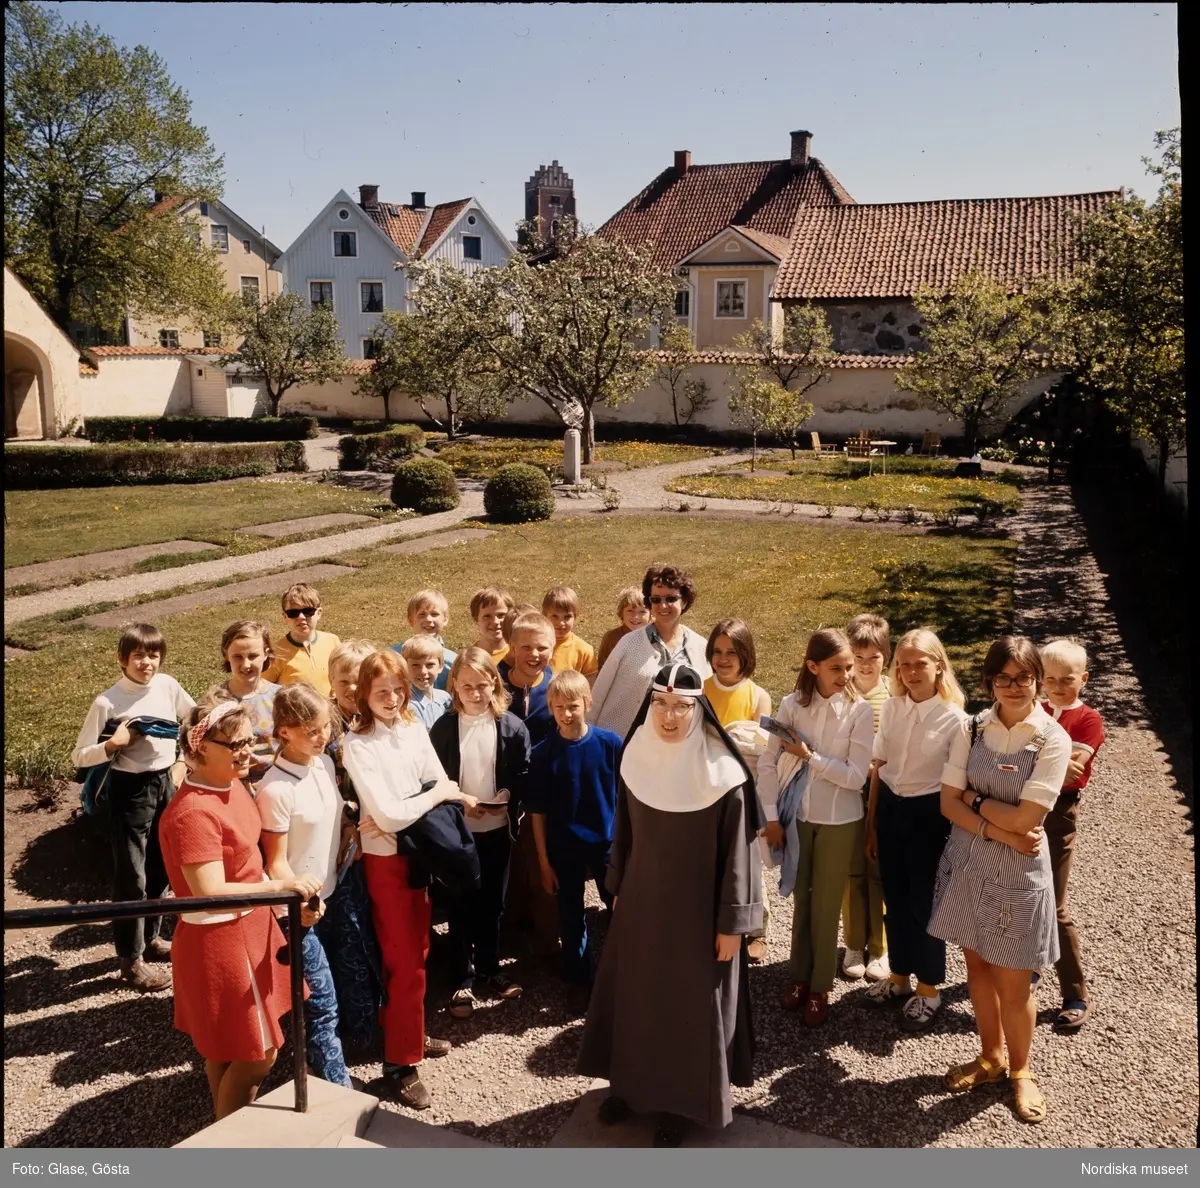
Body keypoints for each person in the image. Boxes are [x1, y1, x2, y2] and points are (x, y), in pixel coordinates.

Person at [578, 663, 764, 1148]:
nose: (667, 716)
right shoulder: (636, 756)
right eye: (659, 703)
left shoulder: (723, 776)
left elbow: (740, 860)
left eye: (681, 706)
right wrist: (614, 888)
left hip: (699, 917)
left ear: (698, 708)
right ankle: (631, 1091)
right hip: (641, 904)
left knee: (686, 1010)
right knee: (637, 1001)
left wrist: (733, 925)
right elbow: (625, 833)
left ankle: (681, 1105)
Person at [927, 635, 1071, 1125]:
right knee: (979, 969)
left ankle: (1022, 1071)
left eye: (1023, 678)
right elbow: (946, 802)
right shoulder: (970, 729)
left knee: (1016, 983)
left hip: (1016, 876)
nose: (1013, 687)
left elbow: (1028, 819)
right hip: (971, 864)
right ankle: (991, 1058)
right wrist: (994, 826)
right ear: (989, 680)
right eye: (1002, 678)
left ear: (1037, 681)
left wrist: (975, 801)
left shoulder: (1052, 738)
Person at [157, 694, 321, 1120]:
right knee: (257, 1054)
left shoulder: (231, 784)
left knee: (229, 1047)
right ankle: (233, 1149)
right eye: (236, 745)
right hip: (222, 940)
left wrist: (280, 894)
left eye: (251, 740)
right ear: (200, 747)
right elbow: (210, 888)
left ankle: (223, 1129)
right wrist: (281, 889)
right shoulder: (194, 812)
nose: (248, 751)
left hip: (249, 926)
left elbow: (247, 866)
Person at [342, 650, 471, 1110]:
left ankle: (411, 1034)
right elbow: (397, 812)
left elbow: (434, 785)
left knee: (418, 952)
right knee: (405, 964)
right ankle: (399, 1063)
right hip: (388, 864)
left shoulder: (413, 727)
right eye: (382, 692)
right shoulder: (357, 744)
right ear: (363, 694)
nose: (393, 698)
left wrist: (410, 803)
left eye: (398, 689)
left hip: (418, 856)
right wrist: (424, 798)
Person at [758, 628, 873, 1028]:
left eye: (849, 667)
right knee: (802, 900)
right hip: (798, 819)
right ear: (813, 666)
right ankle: (798, 976)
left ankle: (820, 985)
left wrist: (811, 758)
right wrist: (771, 816)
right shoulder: (792, 705)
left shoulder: (860, 711)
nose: (846, 675)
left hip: (840, 821)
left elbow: (857, 777)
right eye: (837, 668)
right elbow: (768, 762)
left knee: (826, 906)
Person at [72, 623, 196, 992]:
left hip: (164, 783)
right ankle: (130, 960)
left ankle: (152, 940)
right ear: (122, 659)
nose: (147, 663)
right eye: (138, 656)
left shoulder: (167, 685)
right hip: (128, 791)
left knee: (161, 869)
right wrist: (113, 744)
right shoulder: (107, 702)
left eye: (154, 655)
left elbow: (193, 716)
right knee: (132, 877)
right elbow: (79, 757)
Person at [863, 629, 967, 1031]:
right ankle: (899, 978)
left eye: (919, 663)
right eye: (903, 665)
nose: (910, 672)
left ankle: (929, 989)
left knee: (925, 904)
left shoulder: (955, 719)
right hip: (890, 808)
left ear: (938, 665)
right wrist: (872, 825)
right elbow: (878, 768)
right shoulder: (892, 708)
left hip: (929, 815)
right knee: (896, 898)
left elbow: (956, 785)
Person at [255, 683, 352, 1088]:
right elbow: (275, 863)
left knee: (348, 984)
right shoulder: (274, 790)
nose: (321, 737)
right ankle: (335, 1088)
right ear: (284, 732)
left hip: (336, 894)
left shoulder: (323, 765)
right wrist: (299, 896)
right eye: (310, 731)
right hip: (298, 912)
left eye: (325, 727)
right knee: (322, 1004)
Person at [430, 648, 530, 1020]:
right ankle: (462, 977)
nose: (474, 693)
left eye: (482, 686)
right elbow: (433, 779)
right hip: (459, 833)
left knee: (493, 904)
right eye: (467, 685)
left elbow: (522, 774)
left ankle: (490, 968)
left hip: (497, 830)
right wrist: (458, 800)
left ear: (494, 685)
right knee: (461, 907)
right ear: (454, 685)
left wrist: (509, 797)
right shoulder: (443, 728)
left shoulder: (512, 726)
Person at [528, 671, 623, 998]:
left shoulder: (611, 744)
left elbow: (624, 800)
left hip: (606, 846)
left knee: (620, 909)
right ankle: (580, 979)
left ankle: (624, 974)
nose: (567, 714)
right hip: (563, 848)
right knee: (570, 916)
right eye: (559, 707)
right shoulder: (542, 754)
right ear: (551, 708)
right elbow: (537, 813)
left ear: (588, 704)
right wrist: (543, 862)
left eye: (573, 706)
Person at [321, 639, 385, 1051]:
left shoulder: (378, 718)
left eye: (357, 679)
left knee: (380, 930)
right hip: (340, 849)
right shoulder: (326, 726)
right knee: (349, 935)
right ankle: (358, 1029)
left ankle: (387, 1019)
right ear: (331, 682)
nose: (350, 687)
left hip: (381, 840)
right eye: (343, 679)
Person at [1039, 638, 1105, 1033]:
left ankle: (1075, 992)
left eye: (1067, 680)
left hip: (1059, 813)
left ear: (1083, 679)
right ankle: (1027, 969)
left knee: (1055, 903)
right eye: (1049, 679)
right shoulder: (1037, 710)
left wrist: (1036, 762)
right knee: (1023, 893)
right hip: (1023, 808)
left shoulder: (1088, 720)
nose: (1058, 687)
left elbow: (1072, 770)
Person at [703, 619, 772, 963]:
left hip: (744, 791)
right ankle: (716, 920)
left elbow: (762, 749)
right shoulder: (699, 690)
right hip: (705, 789)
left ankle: (757, 927)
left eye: (732, 651)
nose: (724, 658)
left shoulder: (758, 696)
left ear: (746, 654)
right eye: (717, 651)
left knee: (748, 862)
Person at [497, 611, 560, 954]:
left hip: (542, 794)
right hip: (503, 792)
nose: (534, 655)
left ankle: (548, 942)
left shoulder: (554, 688)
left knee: (542, 864)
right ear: (512, 647)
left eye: (542, 647)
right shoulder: (495, 685)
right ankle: (508, 937)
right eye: (526, 647)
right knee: (508, 867)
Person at [590, 564, 711, 740]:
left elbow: (709, 698)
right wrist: (590, 734)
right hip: (628, 742)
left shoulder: (701, 647)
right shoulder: (629, 643)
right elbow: (600, 691)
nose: (663, 605)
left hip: (682, 745)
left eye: (671, 599)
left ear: (684, 601)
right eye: (656, 599)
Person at [841, 613, 891, 982]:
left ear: (884, 658)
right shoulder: (842, 693)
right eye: (859, 658)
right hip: (848, 792)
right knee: (852, 871)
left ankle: (881, 948)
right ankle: (854, 943)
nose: (866, 665)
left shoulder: (893, 694)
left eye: (873, 658)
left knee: (879, 872)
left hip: (884, 793)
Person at [219, 620, 279, 784]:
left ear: (266, 653)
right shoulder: (216, 701)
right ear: (226, 654)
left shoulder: (281, 697)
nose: (246, 665)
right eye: (237, 657)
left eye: (253, 656)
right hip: (234, 788)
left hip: (277, 786)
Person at [262, 583, 341, 696]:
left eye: (308, 611)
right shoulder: (276, 653)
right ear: (285, 617)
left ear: (319, 613)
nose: (301, 617)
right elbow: (263, 690)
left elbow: (342, 676)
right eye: (293, 613)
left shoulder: (332, 642)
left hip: (331, 711)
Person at [394, 590, 456, 691]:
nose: (428, 619)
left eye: (434, 614)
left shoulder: (453, 661)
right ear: (410, 620)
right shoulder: (395, 656)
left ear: (445, 619)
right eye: (422, 614)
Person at [543, 585, 599, 682]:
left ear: (575, 617)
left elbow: (589, 686)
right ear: (545, 615)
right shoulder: (536, 644)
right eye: (555, 616)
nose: (561, 623)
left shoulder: (584, 650)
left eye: (567, 617)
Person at [401, 635, 452, 730]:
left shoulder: (445, 699)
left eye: (430, 665)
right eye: (415, 665)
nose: (423, 671)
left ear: (440, 666)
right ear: (405, 667)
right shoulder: (407, 705)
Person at [596, 586, 650, 674]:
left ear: (651, 613)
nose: (636, 617)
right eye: (630, 611)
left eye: (642, 612)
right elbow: (602, 669)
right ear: (621, 612)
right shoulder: (611, 638)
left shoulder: (656, 637)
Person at [469, 586, 514, 664]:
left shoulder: (518, 654)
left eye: (501, 615)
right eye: (487, 616)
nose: (495, 622)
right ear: (476, 620)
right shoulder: (468, 658)